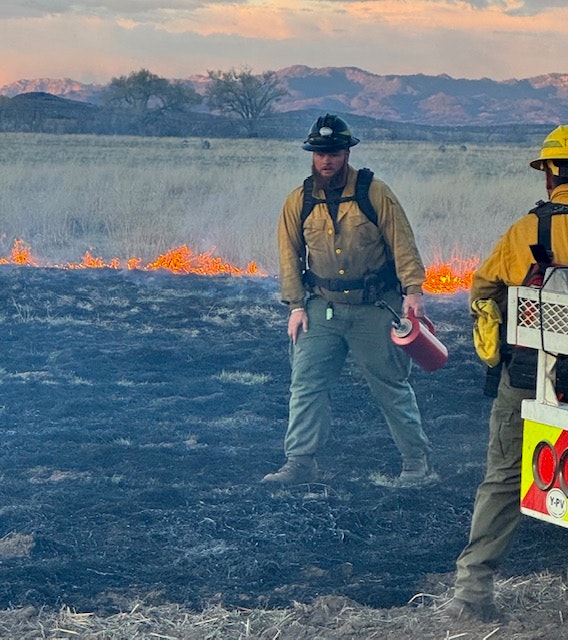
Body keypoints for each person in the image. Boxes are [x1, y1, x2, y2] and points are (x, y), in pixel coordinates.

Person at [261, 113, 431, 487]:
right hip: (322, 308)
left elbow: (402, 242)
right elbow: (288, 254)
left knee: (391, 385)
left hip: (376, 307)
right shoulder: (299, 200)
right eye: (320, 153)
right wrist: (295, 306)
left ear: (347, 153)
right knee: (306, 384)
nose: (327, 160)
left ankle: (416, 463)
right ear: (312, 154)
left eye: (335, 152)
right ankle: (300, 461)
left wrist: (413, 291)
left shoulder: (375, 192)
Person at [448, 125, 568, 623]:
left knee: (501, 481)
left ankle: (469, 594)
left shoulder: (525, 232)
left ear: (549, 176)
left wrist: (494, 358)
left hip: (527, 379)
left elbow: (483, 292)